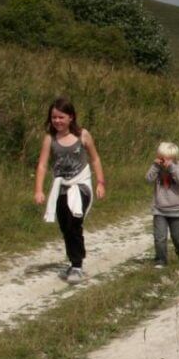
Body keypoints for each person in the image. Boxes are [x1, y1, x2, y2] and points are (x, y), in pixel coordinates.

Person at [34, 98, 106, 282]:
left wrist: (100, 182)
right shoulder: (50, 139)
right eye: (53, 118)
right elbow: (42, 165)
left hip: (81, 185)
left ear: (71, 117)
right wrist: (39, 190)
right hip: (61, 186)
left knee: (74, 222)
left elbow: (95, 159)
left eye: (61, 117)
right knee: (65, 225)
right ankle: (73, 260)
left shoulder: (83, 135)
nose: (57, 121)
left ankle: (77, 265)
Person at [146, 142, 179, 267]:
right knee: (159, 237)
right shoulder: (157, 168)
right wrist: (155, 166)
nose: (164, 161)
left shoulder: (178, 166)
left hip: (176, 209)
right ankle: (161, 259)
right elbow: (148, 179)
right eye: (161, 157)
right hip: (159, 209)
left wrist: (171, 168)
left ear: (173, 158)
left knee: (177, 236)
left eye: (167, 158)